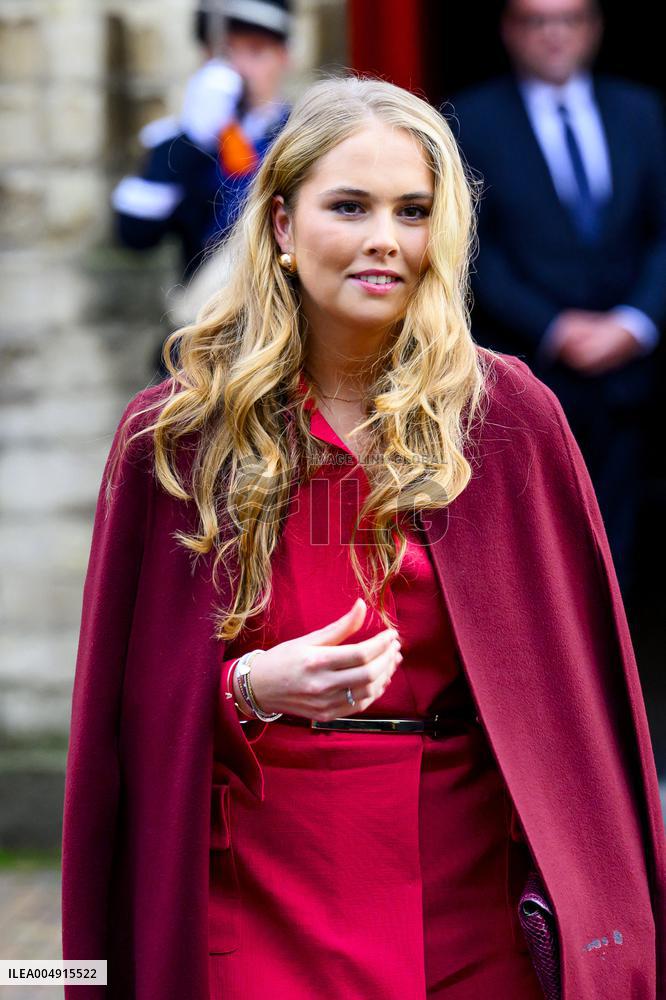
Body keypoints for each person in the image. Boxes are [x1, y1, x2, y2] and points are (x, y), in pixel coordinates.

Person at [61, 75, 665, 999]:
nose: (387, 238)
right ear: (280, 228)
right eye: (350, 206)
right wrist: (248, 688)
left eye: (413, 210)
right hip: (258, 895)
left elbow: (577, 707)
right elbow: (125, 719)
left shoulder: (510, 418)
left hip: (471, 912)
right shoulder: (177, 434)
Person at [450, 0, 666, 601]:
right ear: (508, 29)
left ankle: (609, 678)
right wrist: (552, 325)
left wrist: (636, 320)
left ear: (594, 27)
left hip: (630, 372)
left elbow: (663, 231)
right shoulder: (471, 119)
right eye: (536, 20)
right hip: (527, 370)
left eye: (568, 19)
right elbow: (469, 249)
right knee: (531, 546)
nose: (553, 35)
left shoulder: (641, 112)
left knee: (617, 546)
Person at [111, 0, 292, 282]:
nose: (239, 69)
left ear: (283, 57)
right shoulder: (178, 140)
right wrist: (192, 140)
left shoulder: (300, 133)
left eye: (255, 51)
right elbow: (135, 236)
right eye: (225, 53)